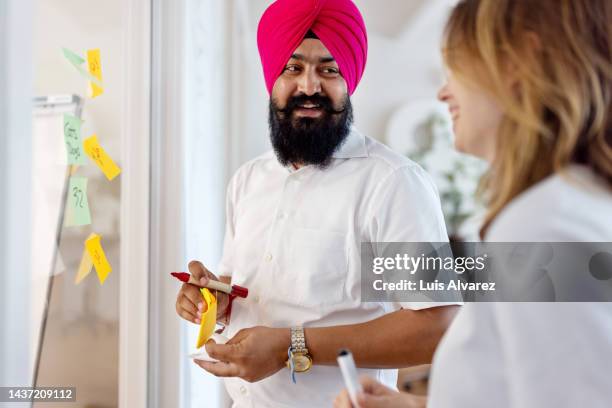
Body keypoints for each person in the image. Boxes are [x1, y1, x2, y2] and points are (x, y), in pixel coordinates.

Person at [175, 0, 460, 407]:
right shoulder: (248, 180)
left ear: (350, 81)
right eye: (293, 68)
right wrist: (215, 303)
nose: (309, 86)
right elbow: (250, 293)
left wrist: (288, 346)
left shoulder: (392, 183)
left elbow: (436, 325)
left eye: (329, 70)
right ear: (272, 79)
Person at [335, 0, 612, 407]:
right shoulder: (572, 206)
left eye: (457, 69)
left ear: (517, 65)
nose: (443, 91)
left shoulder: (544, 227)